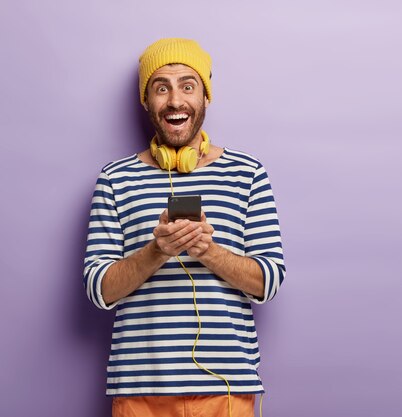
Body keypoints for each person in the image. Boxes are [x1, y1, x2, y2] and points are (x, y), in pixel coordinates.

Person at [83, 38, 286, 417]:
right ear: (147, 101)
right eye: (162, 88)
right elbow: (98, 290)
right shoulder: (115, 179)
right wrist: (156, 252)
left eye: (187, 86)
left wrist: (206, 250)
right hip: (139, 391)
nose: (175, 100)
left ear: (205, 96)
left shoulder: (248, 174)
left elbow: (269, 281)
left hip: (226, 389)